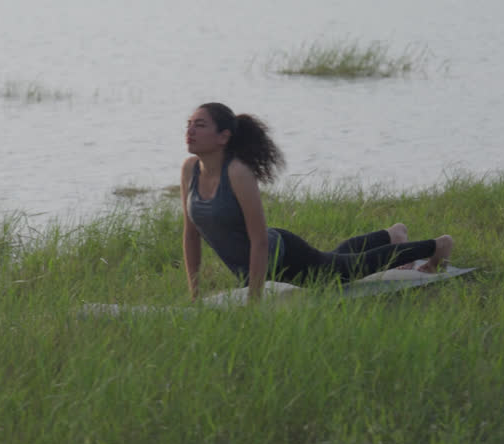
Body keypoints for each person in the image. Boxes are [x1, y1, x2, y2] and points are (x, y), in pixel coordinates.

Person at [181, 102, 453, 301]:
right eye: (189, 124)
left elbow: (259, 240)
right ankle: (393, 234)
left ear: (223, 136)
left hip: (283, 257)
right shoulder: (189, 169)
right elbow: (191, 234)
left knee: (346, 270)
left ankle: (437, 246)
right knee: (336, 258)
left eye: (200, 125)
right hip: (255, 266)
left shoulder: (238, 173)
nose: (190, 130)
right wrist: (195, 294)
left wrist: (254, 297)